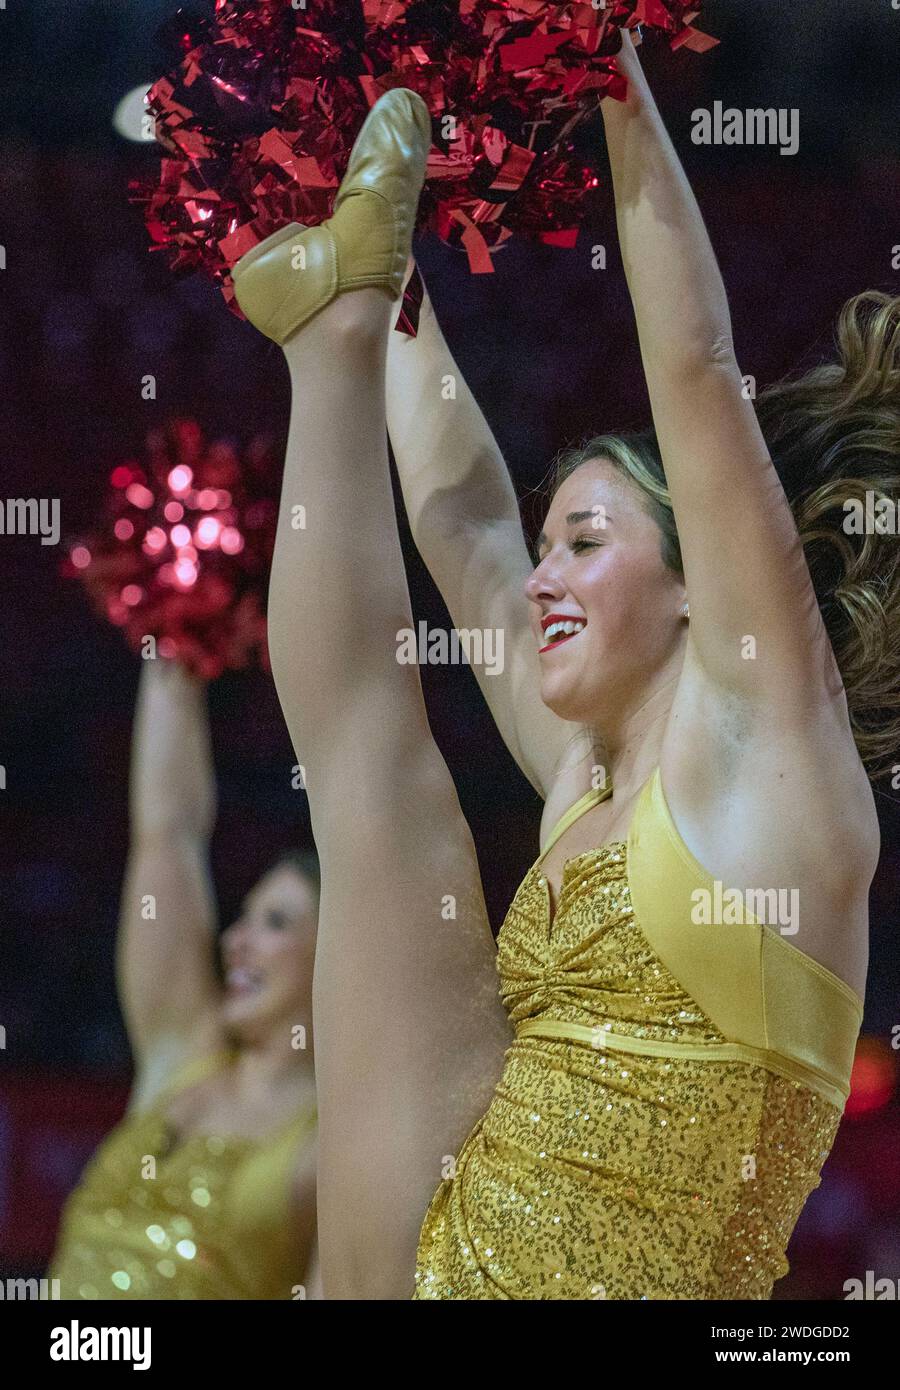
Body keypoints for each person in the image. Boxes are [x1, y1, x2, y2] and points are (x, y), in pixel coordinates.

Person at [229, 24, 897, 1299]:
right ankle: (339, 327)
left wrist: (607, 63)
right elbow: (464, 519)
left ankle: (343, 324)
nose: (539, 577)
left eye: (584, 540)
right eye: (552, 545)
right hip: (461, 1226)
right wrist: (379, 249)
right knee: (373, 781)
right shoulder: (581, 771)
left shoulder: (772, 760)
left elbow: (693, 365)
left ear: (702, 585)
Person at [49, 659, 319, 1299]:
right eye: (243, 917)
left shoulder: (331, 1143)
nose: (235, 941)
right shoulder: (185, 1058)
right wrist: (176, 636)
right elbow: (166, 835)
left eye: (275, 922)